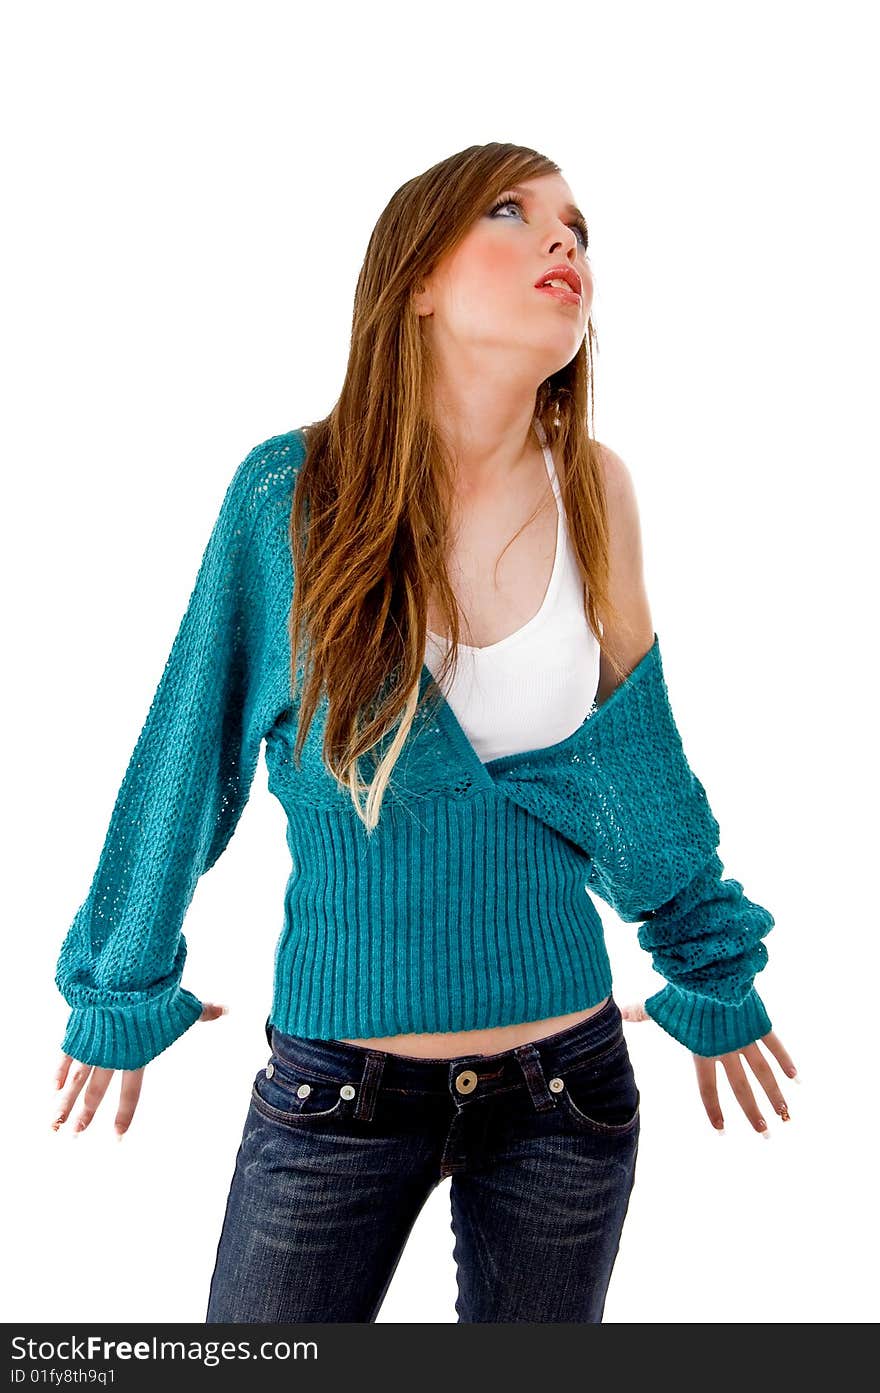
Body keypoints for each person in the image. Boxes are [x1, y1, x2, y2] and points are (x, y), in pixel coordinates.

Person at [51, 142, 797, 1323]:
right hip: (332, 1099)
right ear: (416, 279)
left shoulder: (595, 489)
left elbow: (641, 770)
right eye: (514, 212)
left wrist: (711, 965)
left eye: (579, 228)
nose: (565, 242)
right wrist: (120, 978)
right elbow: (187, 750)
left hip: (568, 1095)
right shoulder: (289, 494)